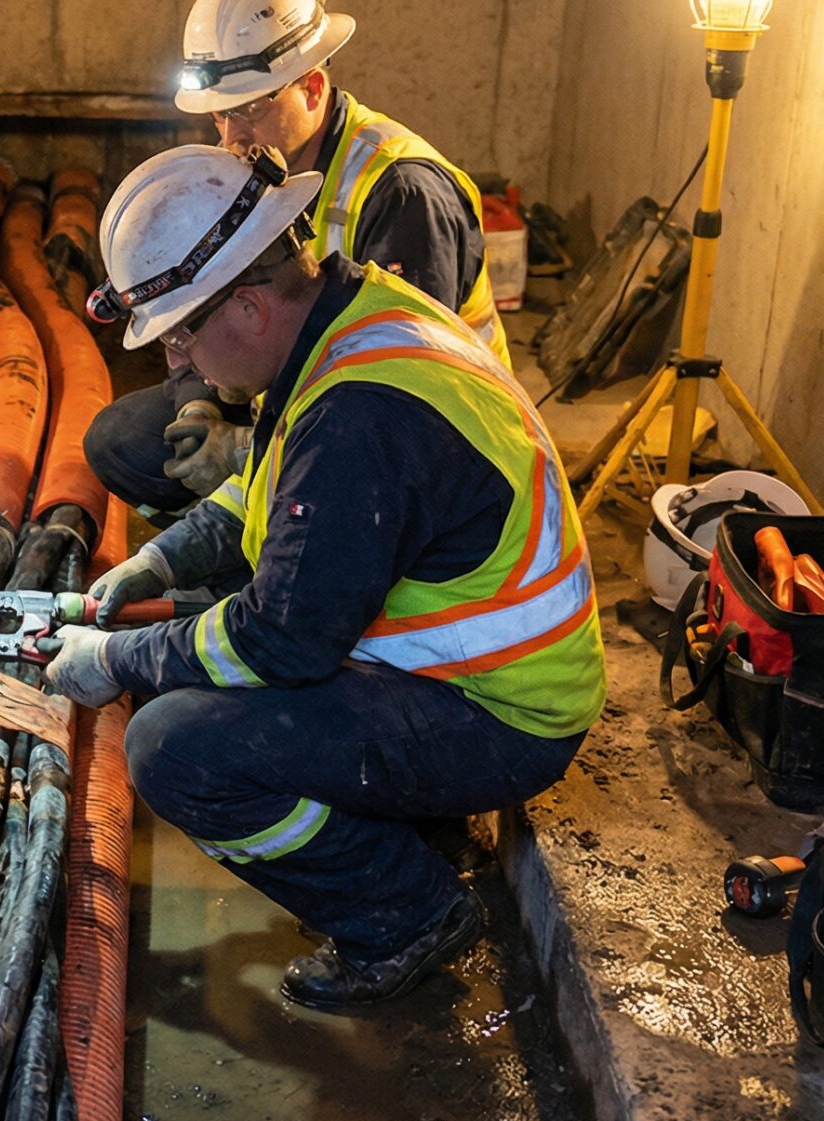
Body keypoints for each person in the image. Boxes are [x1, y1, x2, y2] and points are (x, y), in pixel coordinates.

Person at [46, 145, 603, 1008]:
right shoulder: (350, 318)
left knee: (175, 746)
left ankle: (403, 911)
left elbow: (279, 641)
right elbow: (266, 490)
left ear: (249, 305)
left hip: (498, 713)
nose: (178, 364)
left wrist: (117, 661)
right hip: (466, 665)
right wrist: (161, 561)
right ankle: (395, 836)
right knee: (198, 639)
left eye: (183, 332)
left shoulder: (357, 416)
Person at [85, 0, 513, 521]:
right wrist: (198, 402)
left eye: (250, 111)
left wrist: (243, 450)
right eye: (220, 116)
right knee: (123, 441)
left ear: (312, 87)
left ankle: (289, 552)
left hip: (427, 436)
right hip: (294, 391)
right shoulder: (256, 165)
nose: (232, 138)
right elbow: (201, 300)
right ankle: (253, 537)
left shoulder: (403, 191)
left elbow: (401, 389)